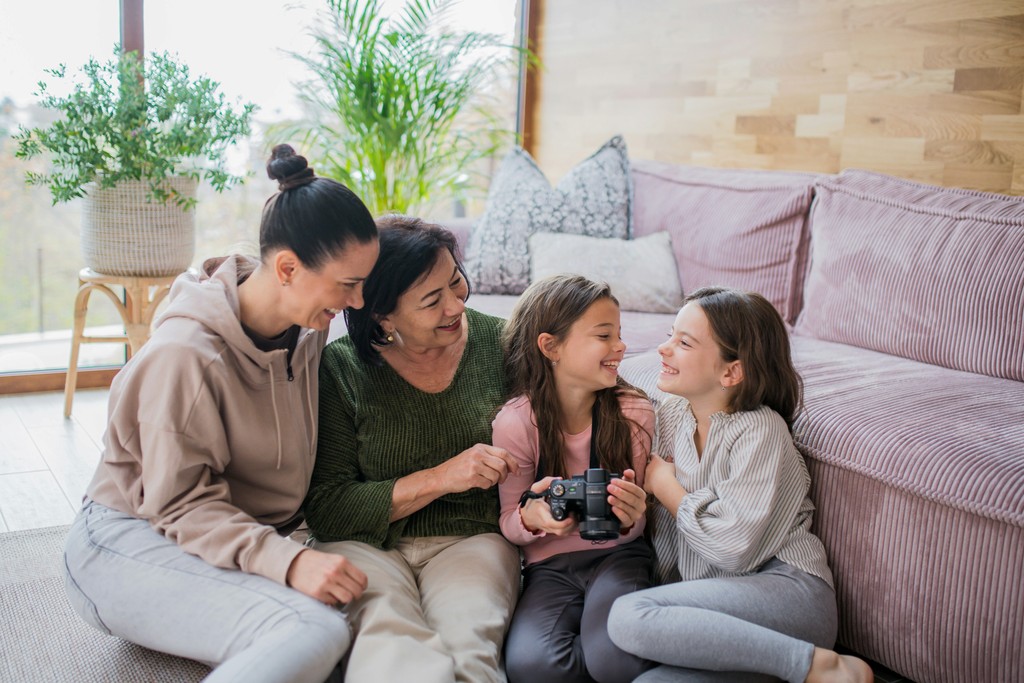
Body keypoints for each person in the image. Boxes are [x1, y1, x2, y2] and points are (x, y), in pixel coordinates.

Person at [62, 144, 379, 683]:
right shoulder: (186, 356)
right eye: (348, 285)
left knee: (357, 618)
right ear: (286, 268)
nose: (358, 300)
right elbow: (179, 505)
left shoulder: (307, 325)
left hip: (231, 531)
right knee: (312, 632)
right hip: (131, 538)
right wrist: (289, 562)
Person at [606, 287, 873, 683]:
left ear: (731, 372)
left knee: (631, 616)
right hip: (726, 610)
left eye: (684, 342)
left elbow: (733, 550)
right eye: (669, 335)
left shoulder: (759, 429)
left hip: (788, 593)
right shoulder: (674, 414)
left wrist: (666, 486)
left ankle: (822, 667)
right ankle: (788, 670)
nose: (664, 349)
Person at [304, 215, 521, 683]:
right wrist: (444, 476)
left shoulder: (502, 344)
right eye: (431, 300)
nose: (455, 306)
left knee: (469, 644)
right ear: (382, 314)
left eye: (456, 283)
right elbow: (326, 506)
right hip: (365, 544)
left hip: (471, 538)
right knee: (388, 638)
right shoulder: (340, 369)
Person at [495, 274, 655, 683]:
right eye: (604, 335)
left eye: (619, 334)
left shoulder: (632, 412)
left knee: (616, 658)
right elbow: (510, 522)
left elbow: (636, 522)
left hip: (618, 554)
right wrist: (534, 518)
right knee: (531, 666)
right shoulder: (516, 422)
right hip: (549, 564)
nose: (620, 346)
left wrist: (633, 514)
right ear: (551, 346)